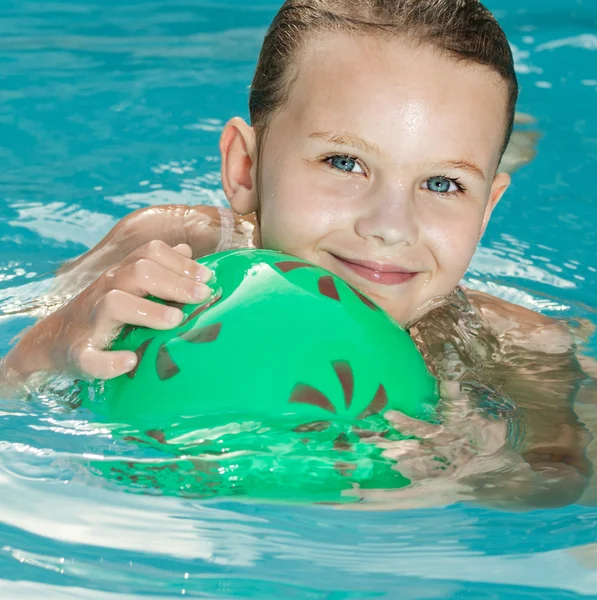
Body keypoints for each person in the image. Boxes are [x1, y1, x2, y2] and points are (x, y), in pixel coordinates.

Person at [0, 0, 593, 508]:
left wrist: (462, 466)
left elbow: (559, 490)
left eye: (444, 184)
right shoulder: (160, 252)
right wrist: (44, 347)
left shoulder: (519, 349)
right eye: (344, 162)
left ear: (487, 212)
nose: (390, 227)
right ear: (246, 168)